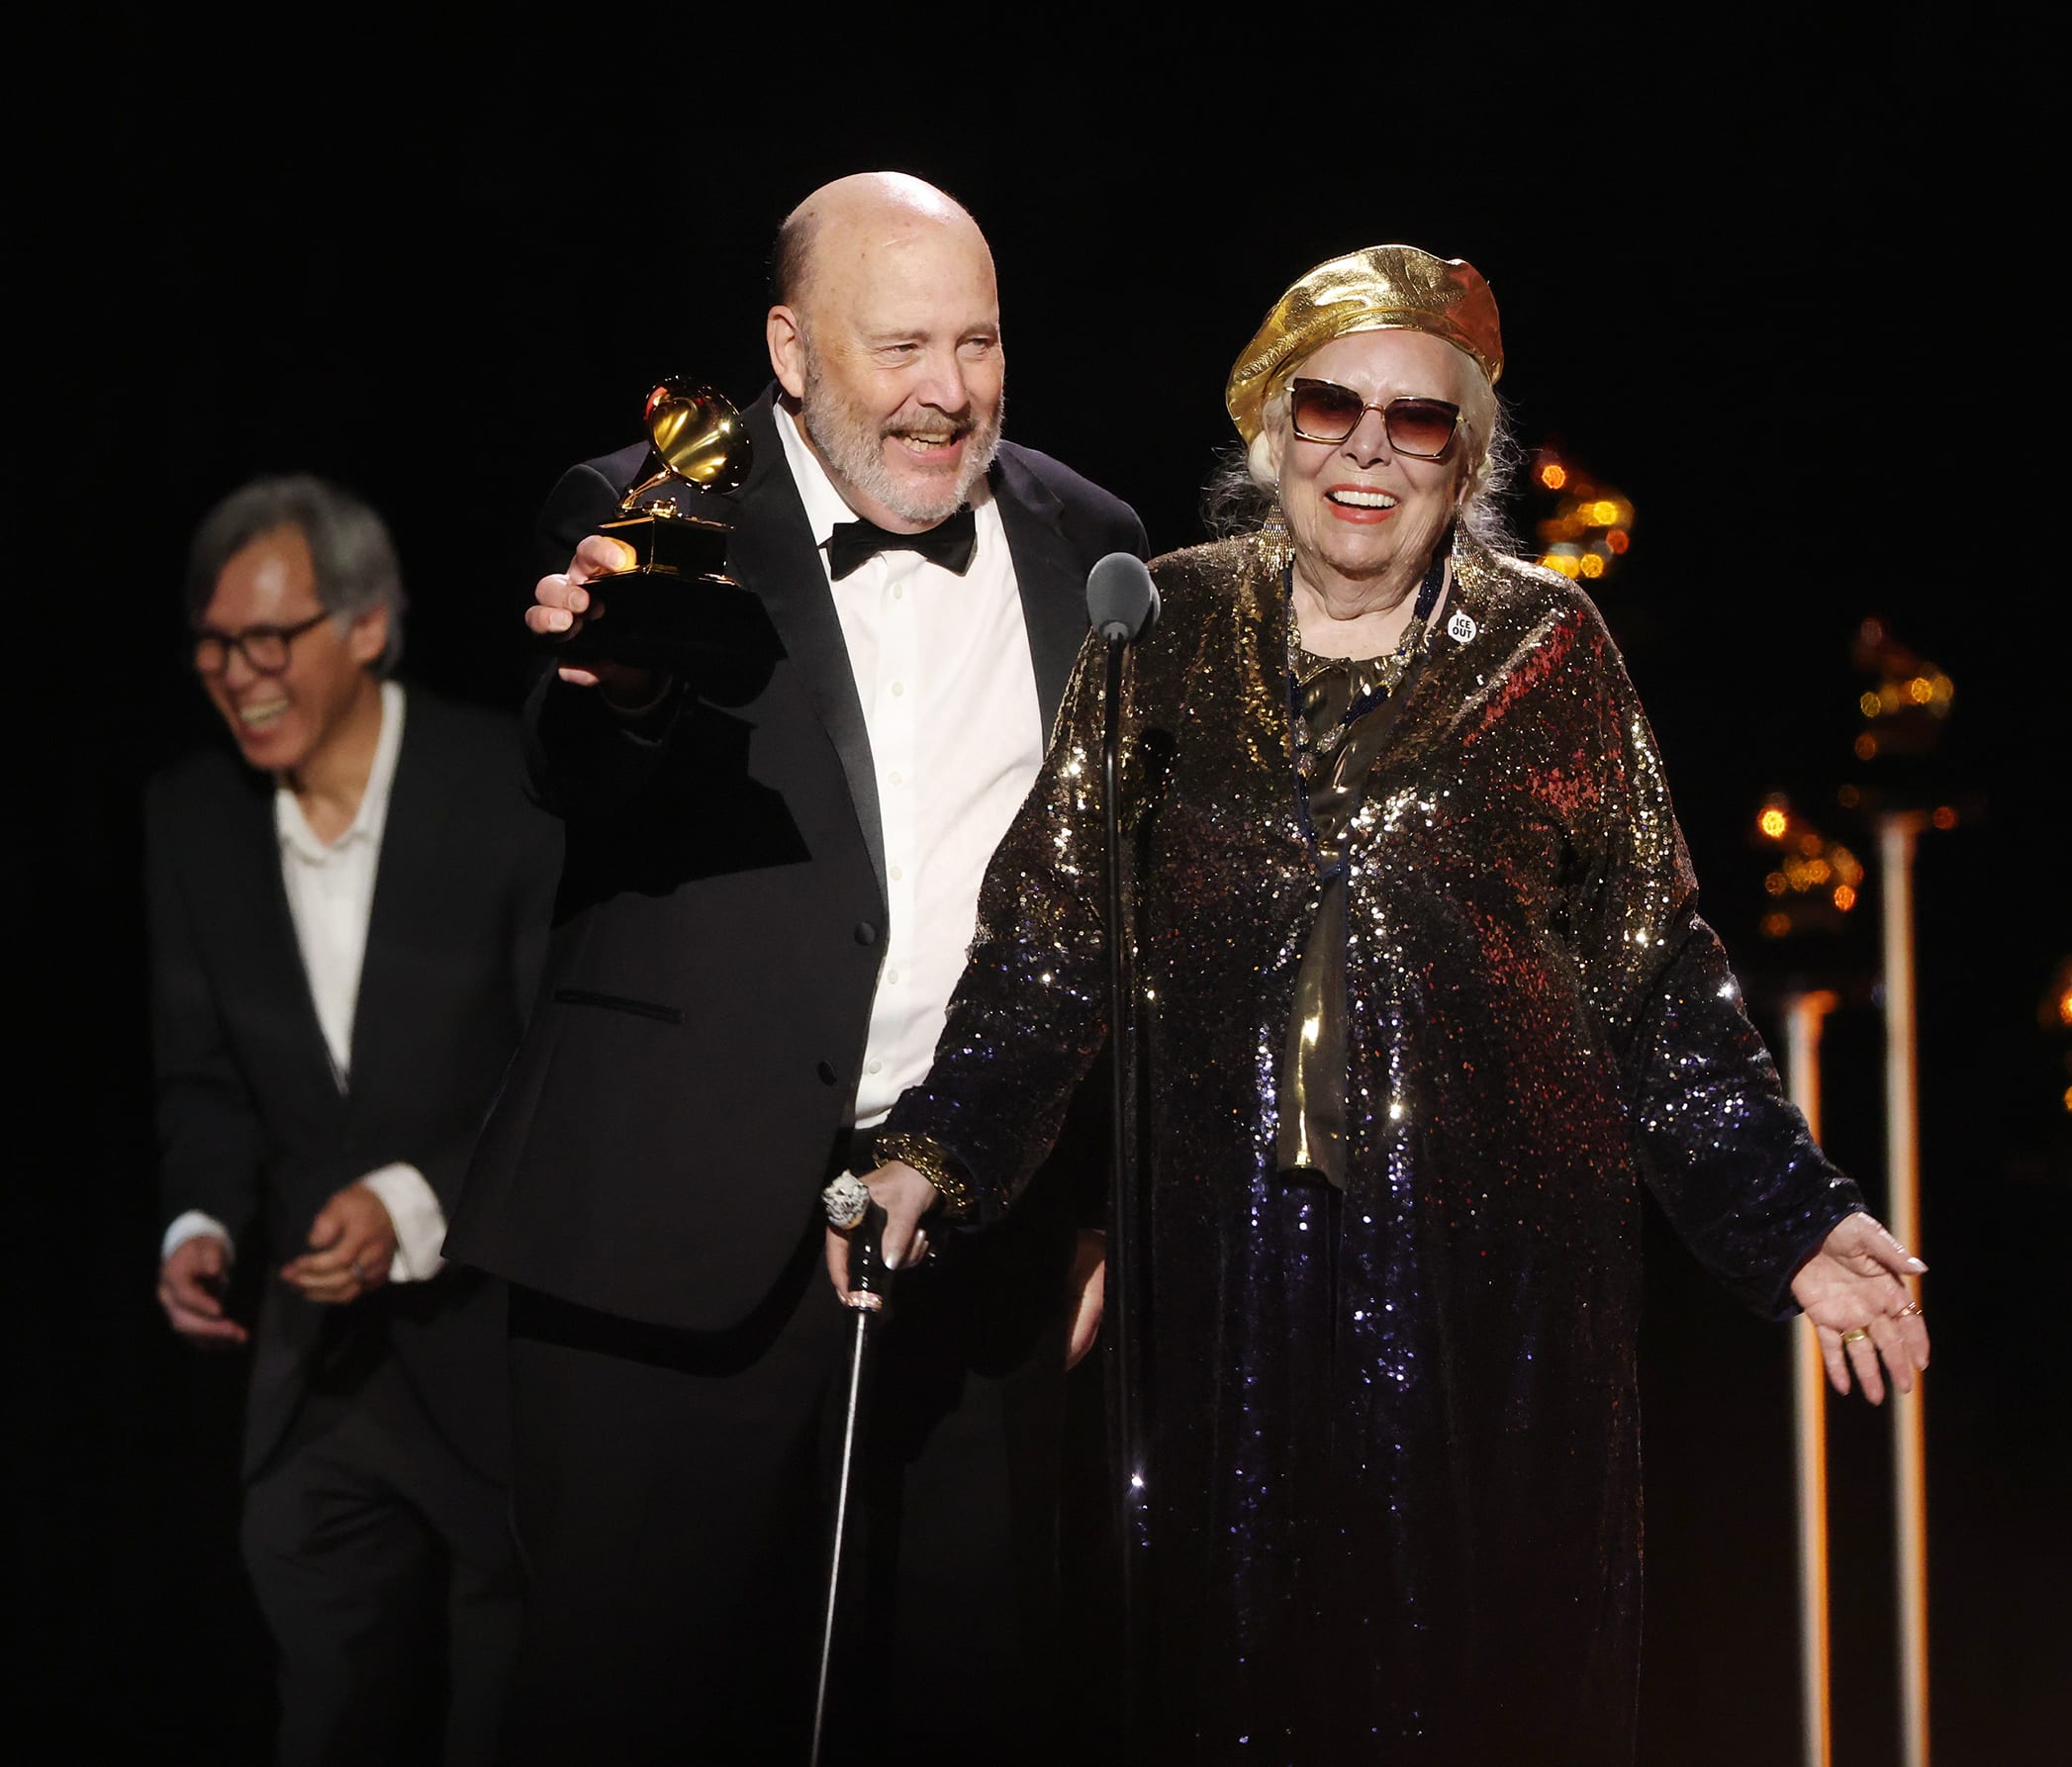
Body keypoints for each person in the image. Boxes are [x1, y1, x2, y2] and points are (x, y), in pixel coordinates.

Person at [847, 245, 1935, 1764]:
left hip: (1495, 1313)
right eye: (1329, 406)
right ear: (1269, 432)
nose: (1366, 447)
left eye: (1417, 422)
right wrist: (933, 1153)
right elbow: (1047, 948)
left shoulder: (1554, 655)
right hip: (1223, 1303)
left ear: (1468, 460)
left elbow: (1661, 984)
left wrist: (1791, 1219)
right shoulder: (1153, 636)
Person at [448, 171, 1144, 1763]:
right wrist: (619, 682)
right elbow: (584, 758)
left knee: (972, 1703)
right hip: (669, 1255)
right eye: (902, 343)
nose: (948, 391)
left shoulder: (1090, 543)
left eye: (977, 343)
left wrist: (1092, 1185)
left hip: (977, 1245)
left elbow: (1106, 906)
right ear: (788, 346)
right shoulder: (648, 509)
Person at [147, 475, 557, 1765]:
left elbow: (562, 1068)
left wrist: (414, 1202)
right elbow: (206, 1080)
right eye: (216, 643)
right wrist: (198, 1220)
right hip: (315, 1374)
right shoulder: (193, 819)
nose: (238, 673)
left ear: (369, 625)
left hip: (498, 1362)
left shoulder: (507, 787)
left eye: (270, 638)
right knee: (325, 1720)